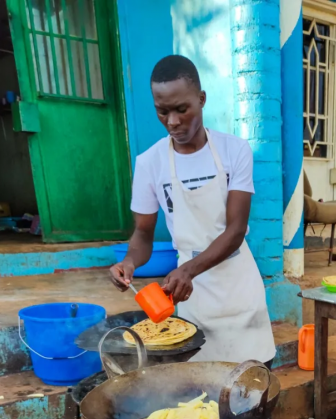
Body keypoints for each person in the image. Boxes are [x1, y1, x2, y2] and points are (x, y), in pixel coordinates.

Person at [109, 55, 276, 365]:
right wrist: (129, 262)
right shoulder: (150, 163)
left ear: (201, 100)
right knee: (200, 392)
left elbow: (236, 230)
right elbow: (143, 233)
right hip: (190, 295)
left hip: (237, 285)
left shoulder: (233, 150)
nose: (172, 121)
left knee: (253, 383)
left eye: (181, 109)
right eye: (163, 111)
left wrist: (188, 271)